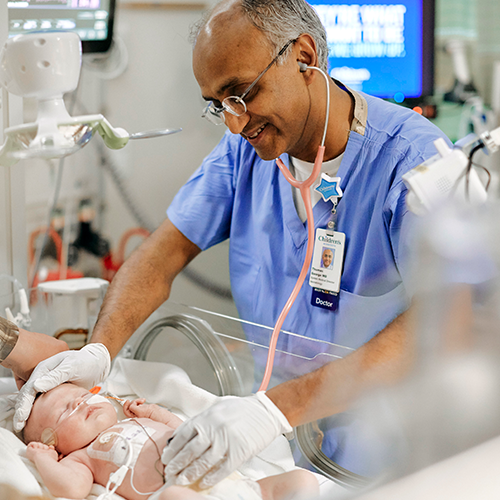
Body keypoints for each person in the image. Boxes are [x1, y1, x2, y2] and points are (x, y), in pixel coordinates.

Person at [14, 0, 452, 490]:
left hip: (385, 457)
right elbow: (161, 256)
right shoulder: (247, 155)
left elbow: (449, 321)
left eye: (240, 93)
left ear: (304, 56)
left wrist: (274, 410)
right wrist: (99, 350)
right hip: (270, 451)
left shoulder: (412, 164)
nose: (234, 124)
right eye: (217, 105)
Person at [23, 382, 318, 500]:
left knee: (304, 481)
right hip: (181, 493)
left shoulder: (133, 421)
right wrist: (43, 460)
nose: (81, 403)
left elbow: (185, 429)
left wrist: (155, 412)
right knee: (174, 497)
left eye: (83, 395)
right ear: (54, 443)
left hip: (237, 485)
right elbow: (71, 488)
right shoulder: (82, 458)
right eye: (65, 409)